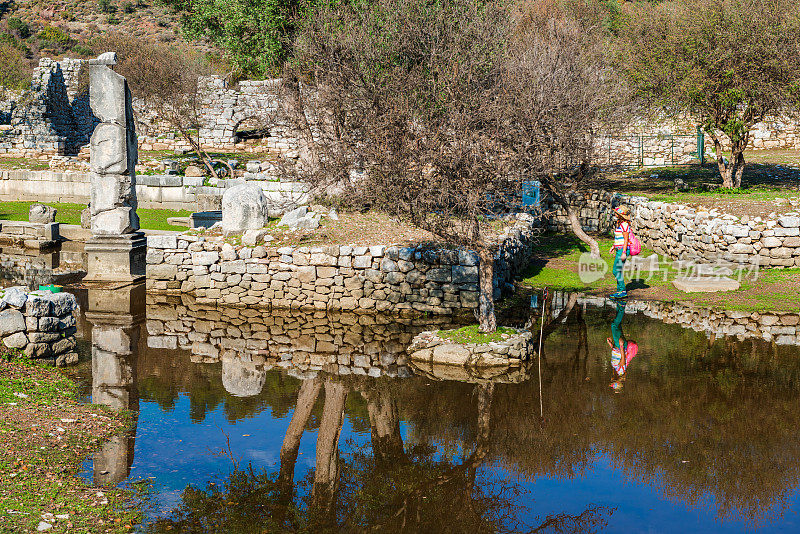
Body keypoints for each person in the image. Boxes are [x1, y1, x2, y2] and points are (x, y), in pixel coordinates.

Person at [606, 299, 638, 393]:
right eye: (612, 380)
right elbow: (622, 358)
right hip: (620, 345)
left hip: (616, 345)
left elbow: (616, 356)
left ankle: (619, 303)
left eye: (611, 380)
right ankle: (622, 305)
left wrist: (610, 345)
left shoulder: (615, 371)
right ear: (616, 380)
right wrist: (620, 345)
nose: (611, 379)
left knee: (617, 324)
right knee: (614, 325)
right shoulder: (620, 371)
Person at [609, 205, 631, 299]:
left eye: (617, 213)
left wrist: (624, 252)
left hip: (622, 250)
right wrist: (613, 246)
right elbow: (619, 238)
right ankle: (619, 291)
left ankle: (622, 291)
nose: (615, 214)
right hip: (619, 249)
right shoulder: (620, 224)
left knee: (616, 270)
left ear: (620, 215)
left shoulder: (625, 225)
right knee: (618, 270)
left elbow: (626, 239)